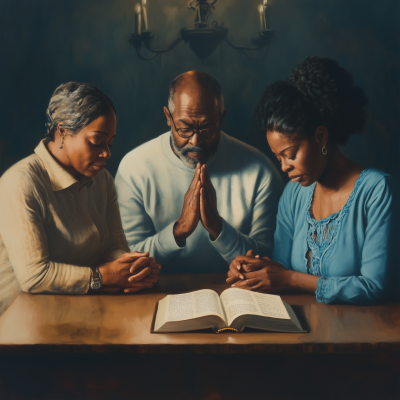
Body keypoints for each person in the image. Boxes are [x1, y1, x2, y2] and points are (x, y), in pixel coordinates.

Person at [227, 56, 399, 305]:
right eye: (278, 158)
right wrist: (253, 268)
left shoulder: (377, 191)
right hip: (300, 329)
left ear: (320, 137)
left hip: (364, 335)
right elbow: (282, 267)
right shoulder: (294, 193)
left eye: (290, 154)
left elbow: (374, 286)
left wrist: (291, 280)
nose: (284, 166)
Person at [0, 82, 161, 306]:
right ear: (63, 131)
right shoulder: (21, 182)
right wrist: (104, 276)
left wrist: (133, 268)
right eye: (96, 142)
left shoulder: (103, 180)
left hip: (85, 307)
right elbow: (34, 277)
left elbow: (113, 247)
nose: (106, 153)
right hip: (21, 319)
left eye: (110, 144)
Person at [115, 71, 283, 273]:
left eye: (207, 129)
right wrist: (180, 229)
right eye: (184, 129)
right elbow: (130, 258)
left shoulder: (260, 171)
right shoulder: (134, 168)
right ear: (168, 117)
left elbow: (268, 258)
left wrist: (218, 228)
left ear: (221, 119)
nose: (196, 141)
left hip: (238, 293)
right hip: (156, 292)